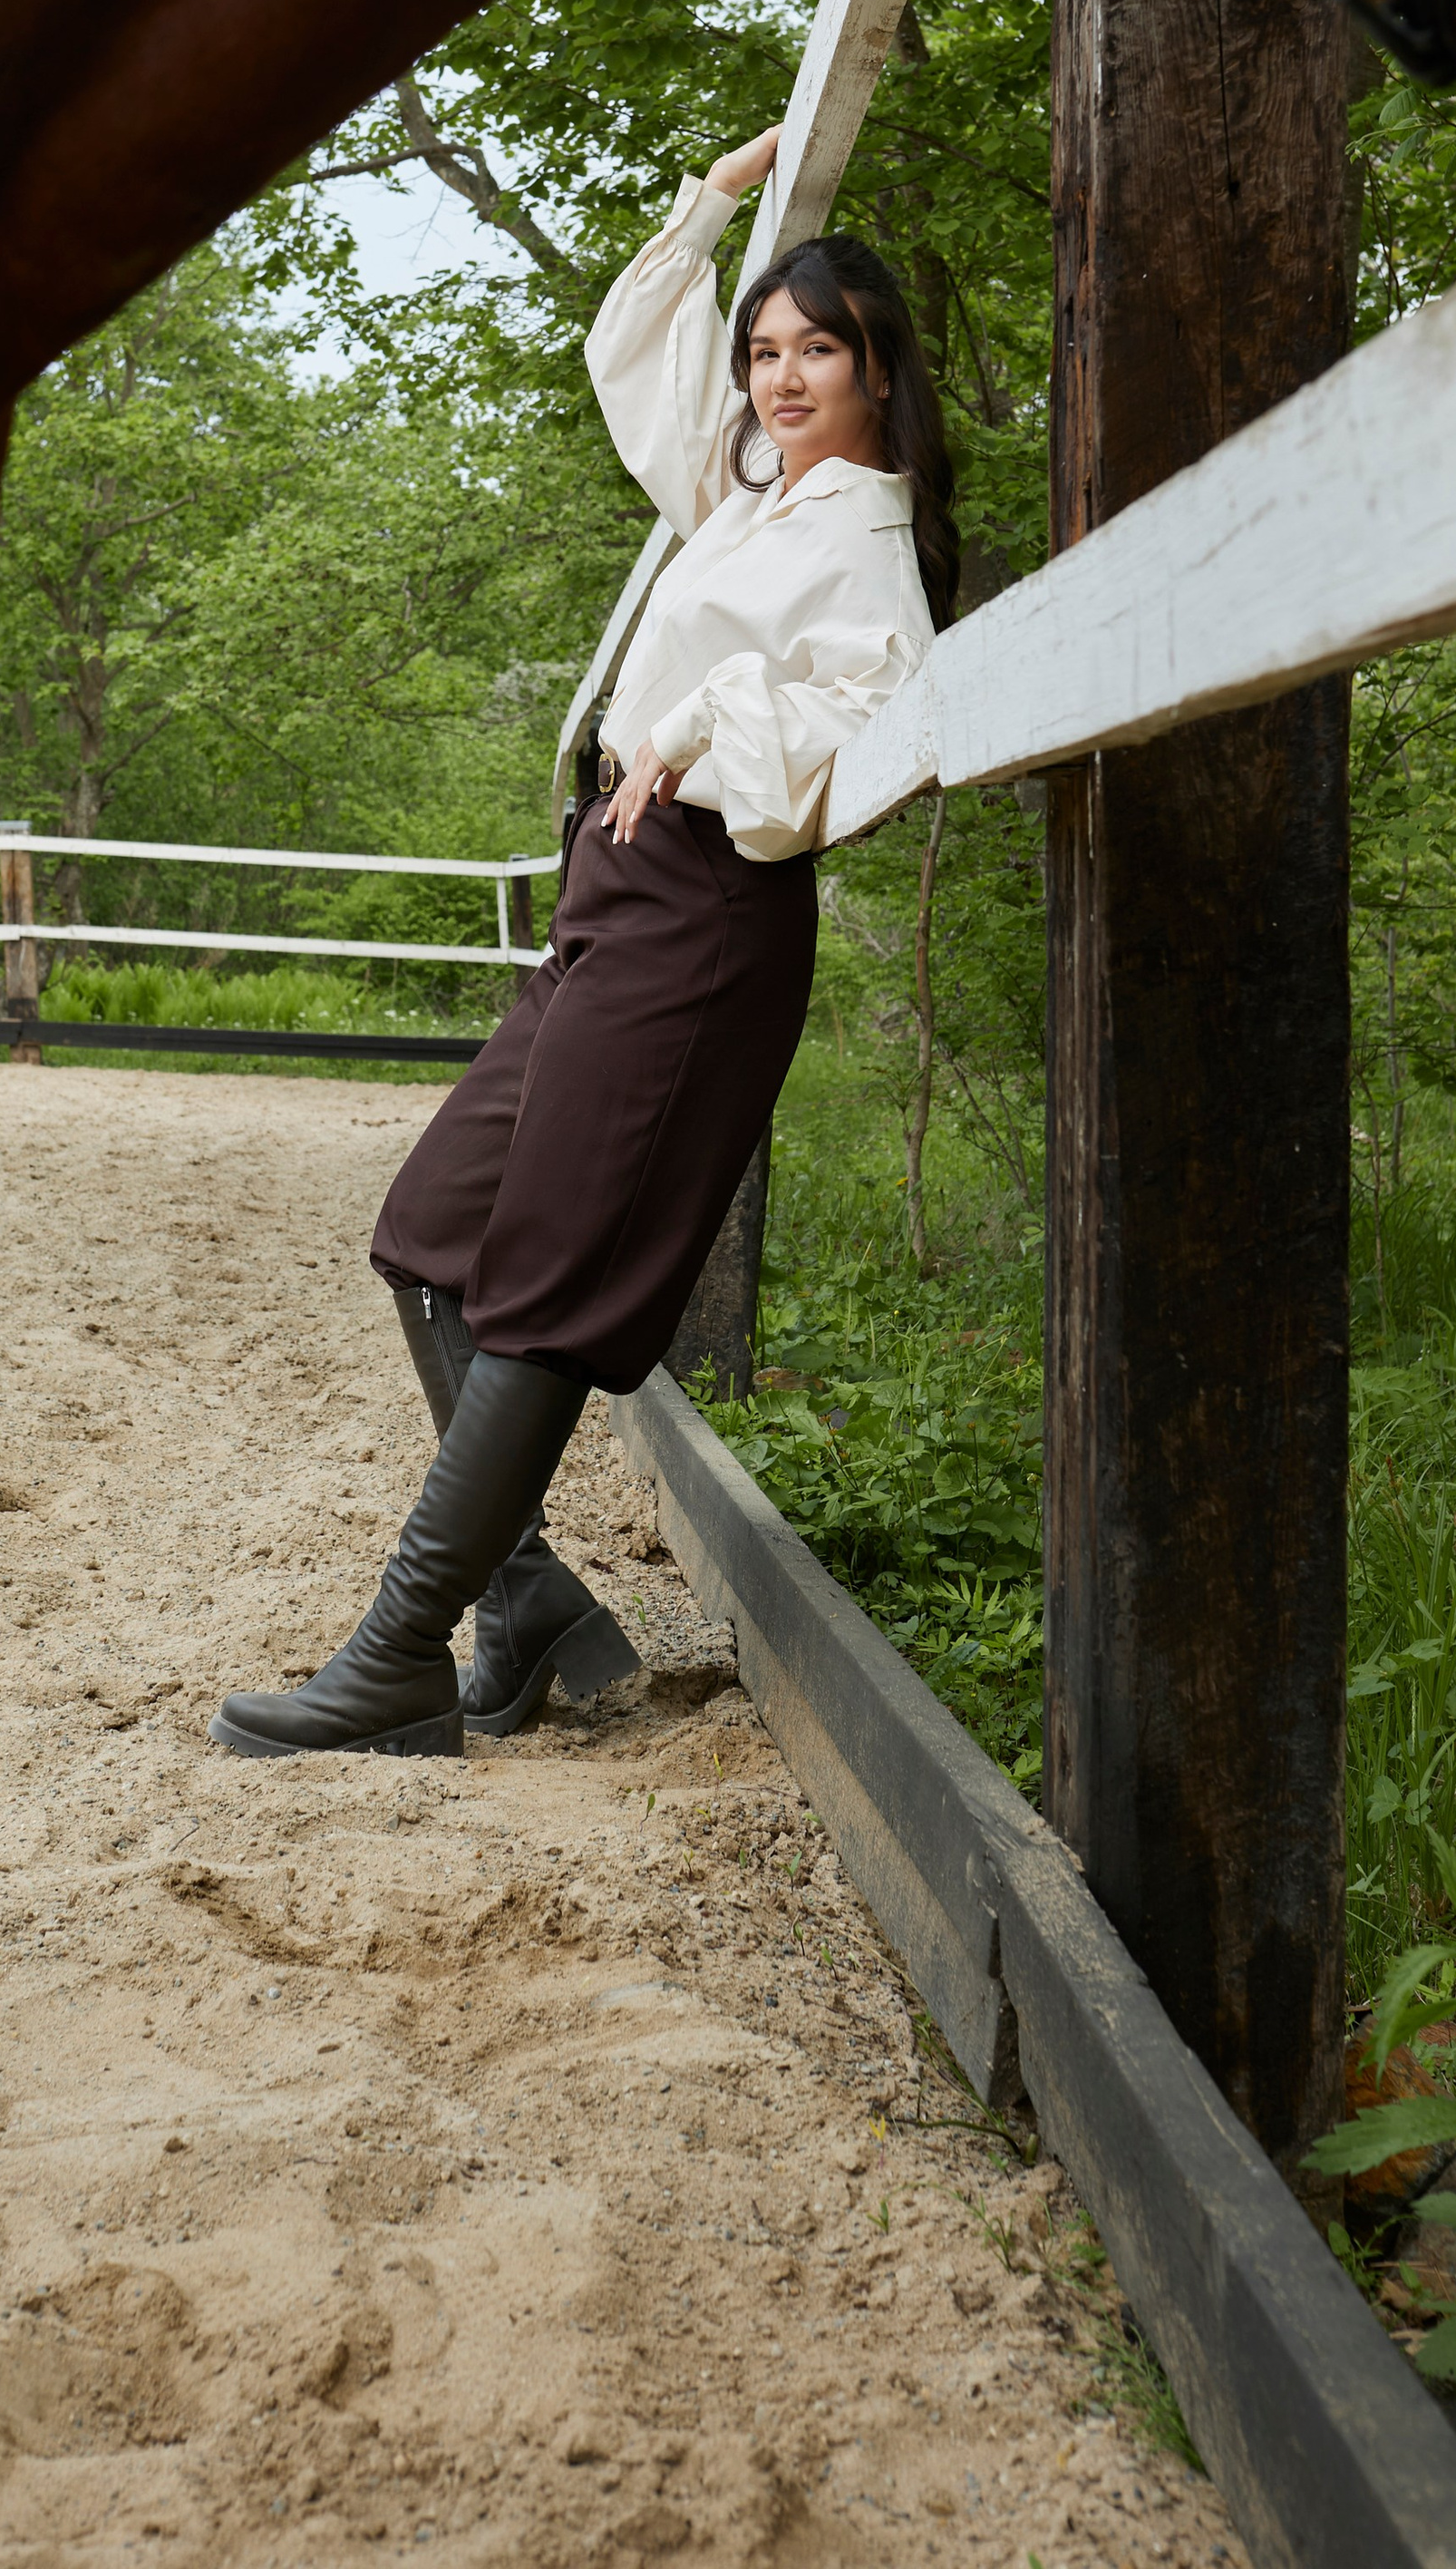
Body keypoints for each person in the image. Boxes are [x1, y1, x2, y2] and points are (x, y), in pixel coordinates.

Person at [209, 127, 960, 1760]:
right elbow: (638, 359)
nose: (776, 377)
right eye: (765, 350)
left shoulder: (866, 547)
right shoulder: (752, 504)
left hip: (701, 919)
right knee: (431, 1232)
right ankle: (528, 1600)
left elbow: (856, 738)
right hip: (607, 914)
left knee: (542, 1284)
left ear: (880, 372)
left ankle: (401, 1654)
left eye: (815, 349)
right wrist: (709, 209)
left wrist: (692, 724)